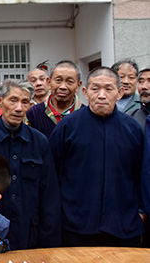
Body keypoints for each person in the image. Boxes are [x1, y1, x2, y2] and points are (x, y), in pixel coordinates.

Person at [50, 67, 147, 247]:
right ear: (85, 92)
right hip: (76, 225)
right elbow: (52, 173)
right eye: (95, 89)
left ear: (119, 93)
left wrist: (141, 213)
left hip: (124, 225)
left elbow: (142, 173)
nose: (101, 95)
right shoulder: (68, 126)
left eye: (109, 89)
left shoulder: (133, 129)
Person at [0, 80, 61, 250]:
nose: (18, 108)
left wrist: (49, 239)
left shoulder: (40, 142)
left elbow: (49, 193)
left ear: (31, 105)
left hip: (29, 231)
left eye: (25, 102)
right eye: (13, 100)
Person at [26, 60, 83, 137]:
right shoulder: (32, 114)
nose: (63, 87)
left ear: (78, 86)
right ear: (49, 82)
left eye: (69, 81)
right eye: (58, 80)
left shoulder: (86, 116)